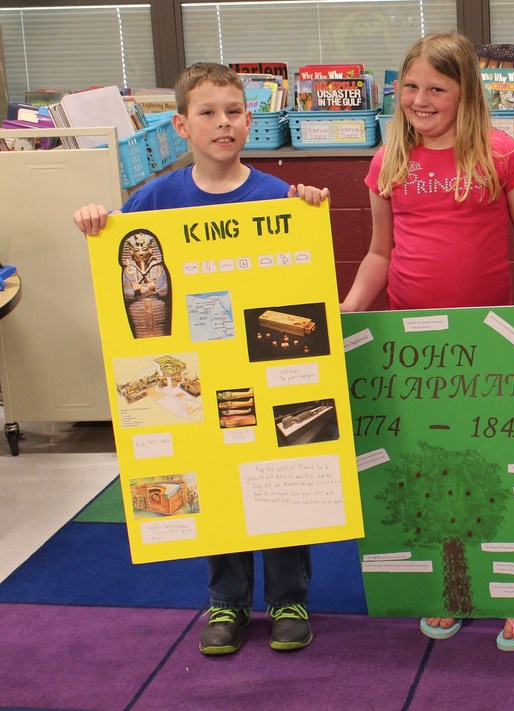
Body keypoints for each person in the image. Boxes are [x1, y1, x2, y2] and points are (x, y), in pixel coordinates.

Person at [73, 62, 331, 657]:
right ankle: (227, 601)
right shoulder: (157, 199)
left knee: (279, 473)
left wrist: (309, 210)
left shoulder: (277, 197)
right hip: (194, 371)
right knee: (214, 480)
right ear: (181, 126)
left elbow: (300, 275)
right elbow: (117, 256)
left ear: (250, 118)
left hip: (265, 364)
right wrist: (92, 221)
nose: (223, 123)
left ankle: (289, 597)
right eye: (208, 113)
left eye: (234, 111)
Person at [339, 31, 514, 652]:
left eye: (436, 88)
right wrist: (352, 310)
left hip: (487, 338)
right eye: (410, 87)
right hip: (410, 342)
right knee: (427, 467)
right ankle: (446, 586)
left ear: (465, 93)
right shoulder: (390, 160)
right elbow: (380, 252)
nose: (420, 100)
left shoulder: (500, 153)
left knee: (503, 466)